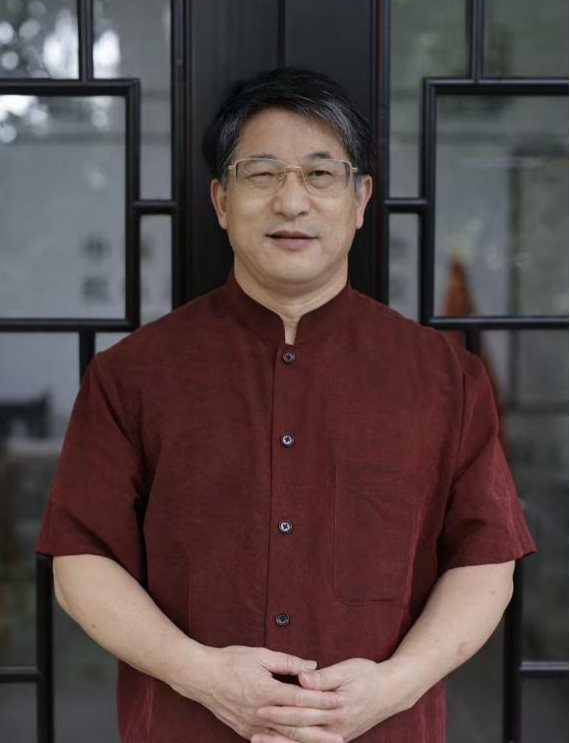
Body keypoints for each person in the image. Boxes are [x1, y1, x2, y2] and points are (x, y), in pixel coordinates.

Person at [35, 66, 537, 743]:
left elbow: (485, 561)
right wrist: (202, 674)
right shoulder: (132, 374)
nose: (291, 201)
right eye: (263, 173)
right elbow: (81, 563)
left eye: (320, 174)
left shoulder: (446, 378)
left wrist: (395, 684)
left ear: (360, 199)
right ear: (221, 199)